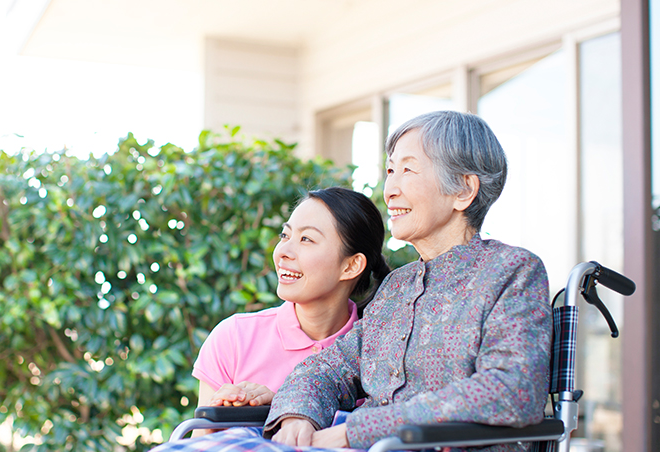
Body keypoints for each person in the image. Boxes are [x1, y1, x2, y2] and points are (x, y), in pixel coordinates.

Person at [154, 111, 551, 452]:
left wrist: (354, 433)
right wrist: (298, 412)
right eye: (390, 170)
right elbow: (327, 367)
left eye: (408, 170)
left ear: (463, 189)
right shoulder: (397, 287)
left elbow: (511, 390)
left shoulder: (510, 271)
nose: (390, 188)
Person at [192, 187, 391, 413]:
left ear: (351, 265)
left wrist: (284, 408)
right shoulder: (234, 337)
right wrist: (220, 415)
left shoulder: (382, 351)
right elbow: (199, 441)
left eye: (306, 239)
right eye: (285, 235)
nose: (283, 251)